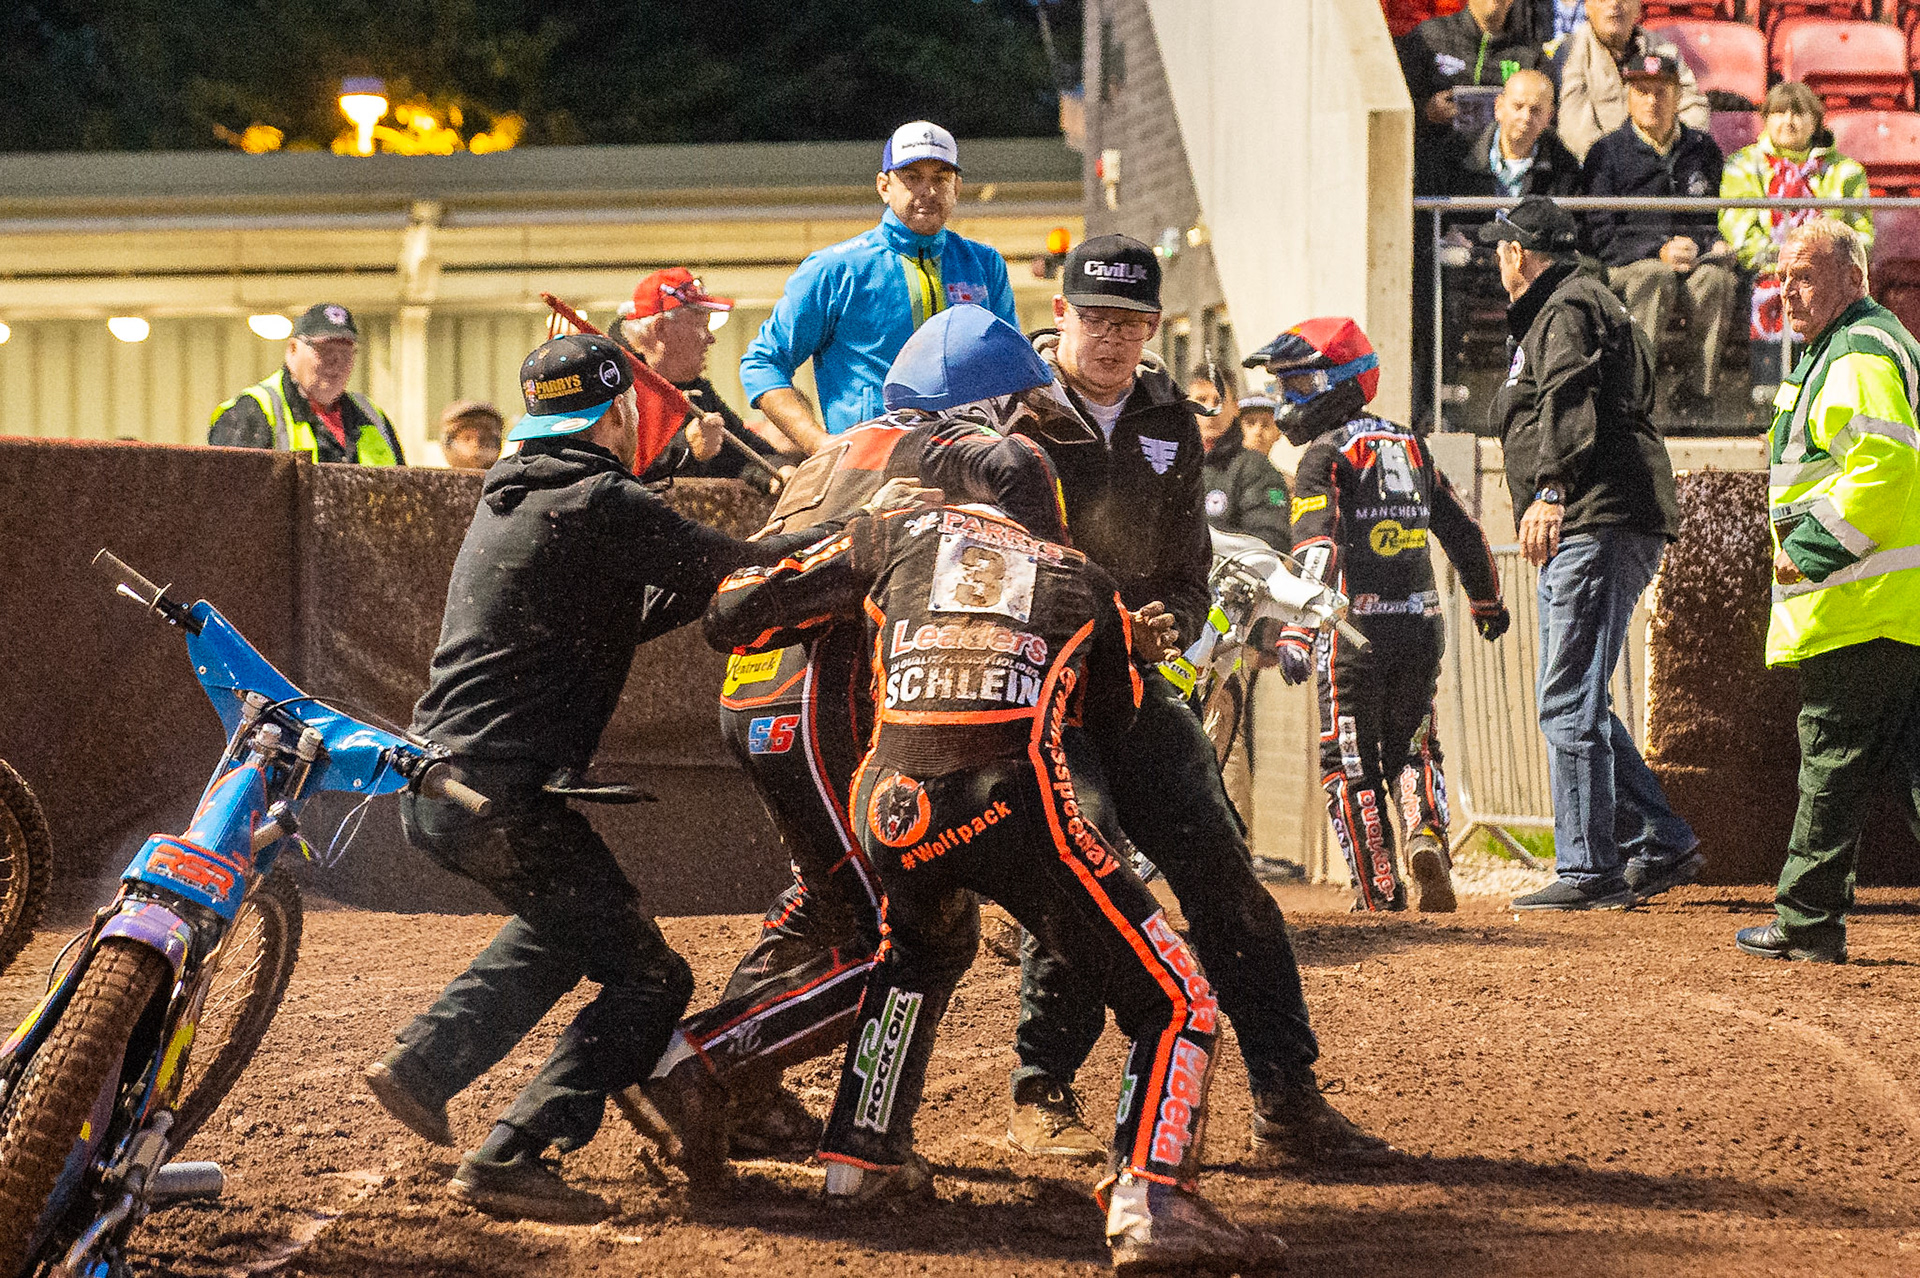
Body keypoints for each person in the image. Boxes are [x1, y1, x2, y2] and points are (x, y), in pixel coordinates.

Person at [703, 444, 1285, 1274]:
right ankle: (1155, 1198)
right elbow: (1110, 722)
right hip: (1010, 800)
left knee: (915, 952)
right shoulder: (1084, 578)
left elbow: (732, 613)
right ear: (1048, 509)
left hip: (888, 803)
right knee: (1181, 1001)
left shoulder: (892, 532)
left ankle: (858, 1161)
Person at [360, 334, 870, 1222]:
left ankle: (422, 1066)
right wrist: (852, 529)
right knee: (651, 976)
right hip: (501, 796)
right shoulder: (600, 500)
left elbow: (626, 609)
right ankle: (515, 1152)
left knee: (565, 931)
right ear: (618, 413)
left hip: (446, 785)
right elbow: (730, 566)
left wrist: (705, 517)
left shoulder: (518, 496)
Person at [638, 306, 1105, 1181]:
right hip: (832, 700)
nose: (1029, 427)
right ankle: (705, 1065)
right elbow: (1046, 582)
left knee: (830, 904)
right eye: (1022, 407)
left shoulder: (838, 448)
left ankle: (786, 1109)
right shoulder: (984, 454)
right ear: (991, 402)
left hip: (761, 695)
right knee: (914, 935)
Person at [1004, 235, 1391, 1167]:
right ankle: (1039, 1091)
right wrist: (1094, 619)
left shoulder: (1169, 417)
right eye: (1096, 319)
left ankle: (1288, 1098)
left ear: (1153, 329)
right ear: (1061, 316)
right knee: (1088, 860)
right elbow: (995, 560)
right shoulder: (1005, 413)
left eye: (1132, 324)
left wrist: (1167, 621)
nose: (1112, 340)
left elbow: (1186, 567)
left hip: (1135, 685)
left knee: (1224, 871)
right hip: (1043, 689)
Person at [1482, 197, 1701, 910]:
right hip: (1599, 517)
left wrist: (1551, 489)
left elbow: (1570, 397)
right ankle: (1658, 838)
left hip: (1593, 517)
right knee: (1577, 698)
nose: (1494, 260)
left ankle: (1587, 869)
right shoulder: (1575, 302)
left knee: (1568, 697)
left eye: (1500, 249)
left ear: (1519, 254)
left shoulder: (1566, 307)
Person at [1250, 317, 1508, 914]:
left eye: (1298, 385)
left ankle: (1380, 893)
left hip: (1351, 634)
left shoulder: (1324, 456)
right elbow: (1464, 529)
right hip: (1419, 624)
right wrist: (1486, 600)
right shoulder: (1410, 443)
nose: (1288, 400)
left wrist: (1294, 629)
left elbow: (1316, 548)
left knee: (1348, 763)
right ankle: (1427, 836)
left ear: (1337, 383)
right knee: (1416, 747)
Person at [1736, 219, 1920, 965]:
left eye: (1806, 274)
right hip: (1893, 605)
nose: (1789, 290)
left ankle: (1808, 922)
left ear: (1854, 276)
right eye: (1782, 277)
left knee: (1833, 760)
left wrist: (1808, 550)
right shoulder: (1859, 347)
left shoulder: (1853, 353)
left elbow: (1885, 469)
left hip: (1859, 605)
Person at [740, 121, 1020, 453]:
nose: (928, 191)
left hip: (972, 461)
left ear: (957, 187)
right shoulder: (834, 269)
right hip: (870, 469)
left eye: (940, 178)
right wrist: (819, 445)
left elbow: (1012, 370)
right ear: (884, 186)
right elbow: (762, 364)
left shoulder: (985, 263)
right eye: (912, 177)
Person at [1582, 52, 1736, 425]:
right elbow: (1599, 235)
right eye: (1642, 91)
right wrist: (1658, 249)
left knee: (1717, 281)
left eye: (1661, 92)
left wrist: (1711, 244)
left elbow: (1714, 217)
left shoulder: (1703, 150)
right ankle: (1635, 397)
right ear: (1628, 96)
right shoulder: (1606, 154)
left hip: (1693, 262)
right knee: (1654, 276)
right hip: (1628, 267)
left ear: (1678, 95)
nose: (1652, 100)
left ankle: (1698, 395)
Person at [1720, 83, 1875, 393]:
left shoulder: (1846, 171)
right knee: (1773, 290)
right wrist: (1785, 265)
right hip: (1764, 270)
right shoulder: (1743, 165)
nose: (1788, 121)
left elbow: (1862, 236)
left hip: (1828, 275)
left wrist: (1825, 267)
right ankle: (1767, 393)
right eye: (1778, 112)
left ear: (1815, 121)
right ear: (1765, 119)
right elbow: (1736, 228)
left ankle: (1826, 389)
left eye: (1799, 113)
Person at [615, 267, 791, 494]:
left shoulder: (697, 391)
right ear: (661, 329)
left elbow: (746, 451)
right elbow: (613, 471)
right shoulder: (611, 385)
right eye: (701, 325)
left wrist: (778, 470)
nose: (711, 338)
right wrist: (685, 449)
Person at [208, 303, 404, 464]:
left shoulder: (372, 417)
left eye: (345, 353)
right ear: (292, 349)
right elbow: (228, 501)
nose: (335, 362)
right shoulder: (252, 413)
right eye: (324, 351)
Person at [1398, 0, 1544, 197]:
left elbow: (1547, 117)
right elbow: (1397, 104)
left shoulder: (1528, 55)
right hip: (1435, 177)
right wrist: (1427, 111)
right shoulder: (1430, 38)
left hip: (1498, 179)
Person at [1557, 0, 1709, 164]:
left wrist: (1673, 153)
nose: (1614, 4)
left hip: (1663, 162)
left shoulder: (1664, 50)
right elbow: (1574, 126)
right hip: (1600, 166)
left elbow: (1693, 107)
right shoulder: (1570, 52)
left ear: (1638, 8)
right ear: (1587, 8)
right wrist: (1615, 164)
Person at [1456, 69, 1582, 200]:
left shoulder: (1563, 166)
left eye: (1536, 110)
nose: (1526, 117)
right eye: (1518, 106)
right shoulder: (1459, 154)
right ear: (1498, 107)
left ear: (1549, 117)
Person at [1201, 394, 1292, 549]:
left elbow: (1274, 538)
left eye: (1266, 425)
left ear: (1278, 432)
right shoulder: (1209, 467)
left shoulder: (1287, 482)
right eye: (1250, 423)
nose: (1258, 431)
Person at [438, 401, 503, 471]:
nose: (476, 445)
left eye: (485, 439)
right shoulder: (434, 480)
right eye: (467, 438)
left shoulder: (508, 480)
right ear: (448, 443)